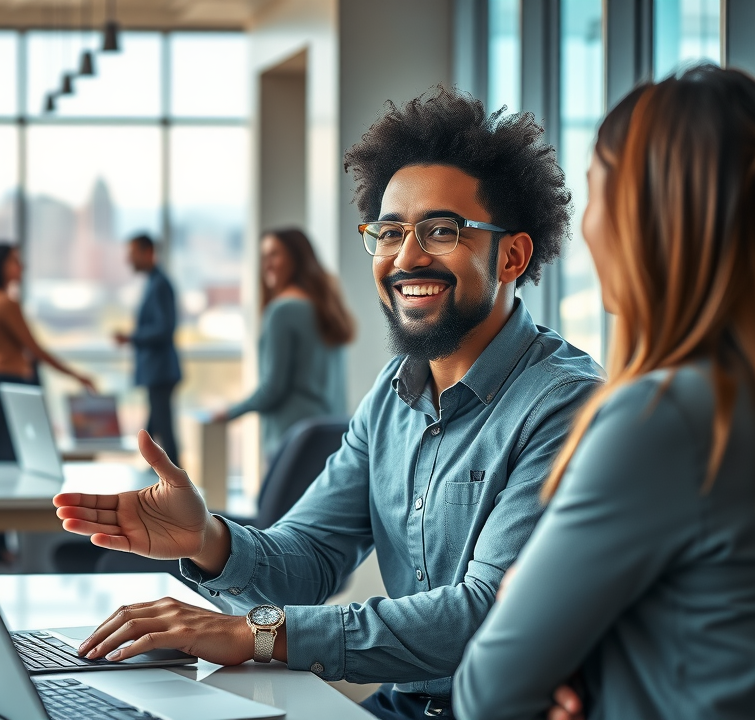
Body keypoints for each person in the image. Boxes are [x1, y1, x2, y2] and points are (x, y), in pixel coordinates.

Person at [54, 86, 604, 720]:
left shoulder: (564, 406)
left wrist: (260, 636)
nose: (407, 257)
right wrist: (207, 539)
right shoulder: (395, 395)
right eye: (390, 232)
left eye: (441, 231)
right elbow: (308, 558)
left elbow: (487, 615)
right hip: (404, 705)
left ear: (512, 254)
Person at [453, 66, 755, 720]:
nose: (587, 230)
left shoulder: (665, 421)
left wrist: (520, 601)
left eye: (595, 193)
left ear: (647, 218)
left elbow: (485, 694)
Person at [0, 242, 97, 565]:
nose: (21, 266)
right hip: (8, 384)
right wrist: (77, 376)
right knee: (5, 460)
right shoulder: (5, 302)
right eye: (15, 261)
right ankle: (1, 540)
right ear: (0, 265)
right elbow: (36, 349)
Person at [210, 228, 353, 461]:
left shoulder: (282, 311)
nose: (266, 264)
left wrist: (230, 412)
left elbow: (272, 389)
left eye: (274, 255)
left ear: (296, 258)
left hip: (292, 440)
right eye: (264, 257)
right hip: (330, 436)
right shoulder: (326, 306)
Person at [115, 234, 182, 466]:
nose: (129, 259)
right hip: (157, 371)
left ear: (148, 252)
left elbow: (164, 328)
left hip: (160, 371)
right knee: (153, 433)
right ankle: (161, 486)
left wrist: (131, 337)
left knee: (163, 434)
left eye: (133, 253)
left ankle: (179, 489)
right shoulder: (154, 283)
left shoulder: (160, 284)